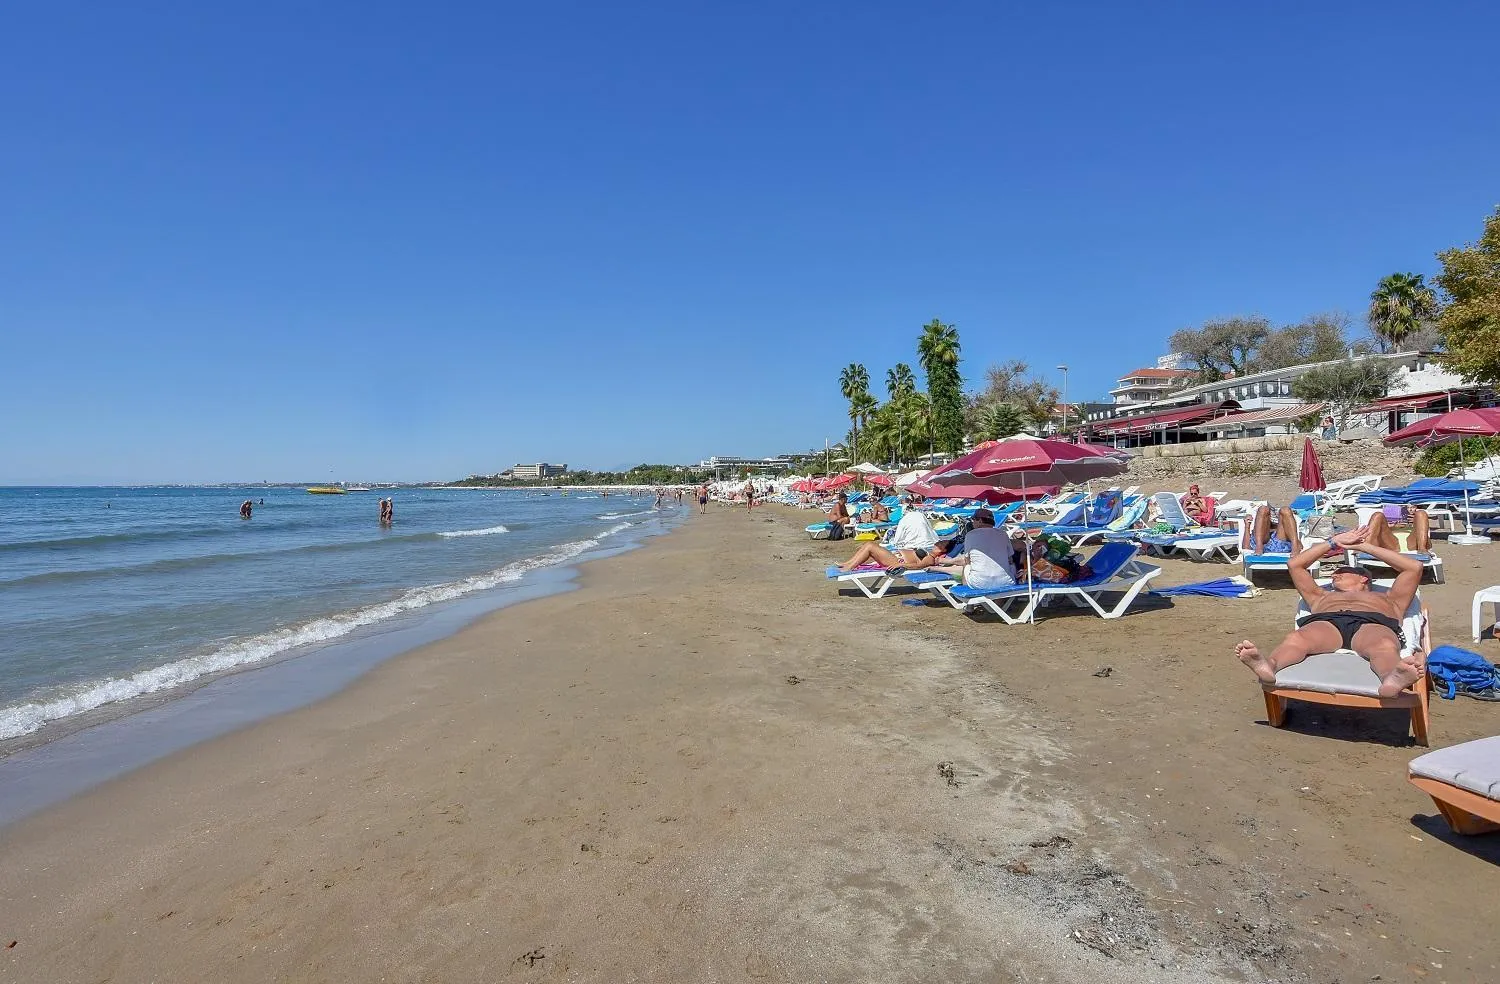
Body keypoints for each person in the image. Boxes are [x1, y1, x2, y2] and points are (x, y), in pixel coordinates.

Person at [1234, 525, 1426, 698]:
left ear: (1364, 578)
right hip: (1327, 622)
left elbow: (1413, 567)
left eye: (1341, 571)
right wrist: (1334, 542)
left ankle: (1391, 679)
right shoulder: (1321, 596)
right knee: (1297, 639)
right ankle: (1269, 666)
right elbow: (1295, 564)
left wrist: (1362, 546)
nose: (1334, 574)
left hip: (1373, 623)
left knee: (1383, 645)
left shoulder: (1389, 598)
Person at [929, 508, 1024, 589]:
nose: (973, 522)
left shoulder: (970, 535)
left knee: (967, 566)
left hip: (979, 583)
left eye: (974, 519)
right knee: (1009, 565)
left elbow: (967, 561)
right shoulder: (1003, 534)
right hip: (1006, 582)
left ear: (980, 521)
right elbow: (1010, 560)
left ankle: (969, 604)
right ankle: (999, 604)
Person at [834, 538, 960, 575]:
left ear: (943, 550)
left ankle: (849, 567)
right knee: (868, 545)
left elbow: (918, 566)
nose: (939, 542)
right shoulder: (929, 553)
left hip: (896, 561)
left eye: (942, 543)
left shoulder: (931, 558)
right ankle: (847, 563)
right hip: (895, 557)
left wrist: (901, 564)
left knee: (870, 546)